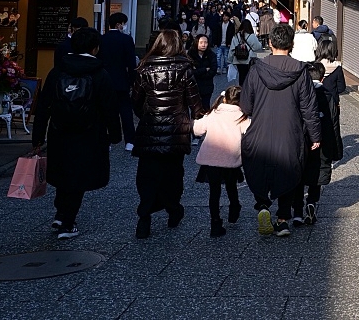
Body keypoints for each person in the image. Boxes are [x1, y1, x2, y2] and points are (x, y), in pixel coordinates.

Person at [31, 27, 121, 239]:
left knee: (63, 173)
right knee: (78, 177)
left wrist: (37, 136)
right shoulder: (99, 74)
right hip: (89, 133)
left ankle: (61, 214)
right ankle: (67, 222)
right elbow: (110, 107)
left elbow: (43, 106)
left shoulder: (57, 71)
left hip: (59, 131)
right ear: (95, 48)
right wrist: (115, 134)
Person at [239, 23, 322, 237]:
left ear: (270, 43)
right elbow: (309, 107)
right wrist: (315, 135)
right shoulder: (300, 71)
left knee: (260, 166)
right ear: (291, 44)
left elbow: (246, 105)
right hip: (291, 131)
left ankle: (264, 206)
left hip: (260, 129)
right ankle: (283, 219)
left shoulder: (257, 69)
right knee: (289, 171)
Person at [131, 29, 201, 239]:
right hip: (176, 130)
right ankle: (173, 208)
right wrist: (196, 119)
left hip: (150, 128)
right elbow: (194, 101)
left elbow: (135, 100)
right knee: (173, 173)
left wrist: (146, 114)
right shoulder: (184, 68)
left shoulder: (145, 68)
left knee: (147, 174)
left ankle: (144, 215)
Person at [193, 85, 249, 238]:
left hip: (211, 159)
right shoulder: (242, 117)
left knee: (214, 192)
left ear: (224, 98)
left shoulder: (213, 114)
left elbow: (197, 130)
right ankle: (234, 207)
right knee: (231, 186)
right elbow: (249, 133)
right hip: (231, 158)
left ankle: (215, 222)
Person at [298, 62, 343, 225]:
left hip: (304, 140)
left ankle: (297, 208)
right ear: (323, 78)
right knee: (317, 173)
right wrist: (336, 149)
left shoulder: (302, 94)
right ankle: (311, 201)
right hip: (323, 141)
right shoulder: (328, 96)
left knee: (302, 172)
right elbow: (334, 123)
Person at [98, 12, 138, 151]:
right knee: (126, 111)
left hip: (104, 80)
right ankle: (130, 141)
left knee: (106, 111)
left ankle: (107, 140)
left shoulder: (102, 39)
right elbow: (132, 64)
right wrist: (133, 81)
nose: (124, 26)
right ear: (118, 24)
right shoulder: (126, 40)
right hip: (122, 80)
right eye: (123, 23)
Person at [229, 19, 263, 90]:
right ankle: (249, 90)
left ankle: (241, 89)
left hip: (238, 60)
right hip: (249, 60)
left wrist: (230, 60)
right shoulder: (251, 36)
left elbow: (232, 49)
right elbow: (258, 47)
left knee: (241, 76)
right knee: (249, 76)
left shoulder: (236, 36)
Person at [190, 35, 217, 113]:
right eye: (201, 42)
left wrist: (198, 72)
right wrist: (204, 69)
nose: (203, 44)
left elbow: (213, 71)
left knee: (206, 107)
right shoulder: (191, 55)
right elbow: (190, 72)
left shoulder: (211, 55)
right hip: (194, 86)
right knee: (195, 109)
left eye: (206, 42)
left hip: (207, 86)